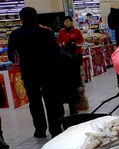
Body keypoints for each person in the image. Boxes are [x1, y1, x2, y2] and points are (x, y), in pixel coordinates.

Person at [8, 7, 64, 138]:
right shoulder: (47, 33)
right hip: (48, 71)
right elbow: (56, 53)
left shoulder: (16, 34)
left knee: (35, 102)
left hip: (29, 72)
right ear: (36, 17)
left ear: (21, 19)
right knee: (51, 101)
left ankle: (40, 130)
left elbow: (12, 56)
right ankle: (55, 129)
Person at [57, 16, 84, 115]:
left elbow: (81, 41)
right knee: (71, 82)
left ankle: (76, 103)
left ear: (71, 22)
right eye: (65, 21)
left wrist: (74, 44)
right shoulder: (61, 32)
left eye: (68, 21)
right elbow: (58, 41)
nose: (66, 23)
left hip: (76, 56)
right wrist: (63, 44)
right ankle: (71, 103)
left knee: (76, 79)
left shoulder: (76, 31)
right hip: (65, 59)